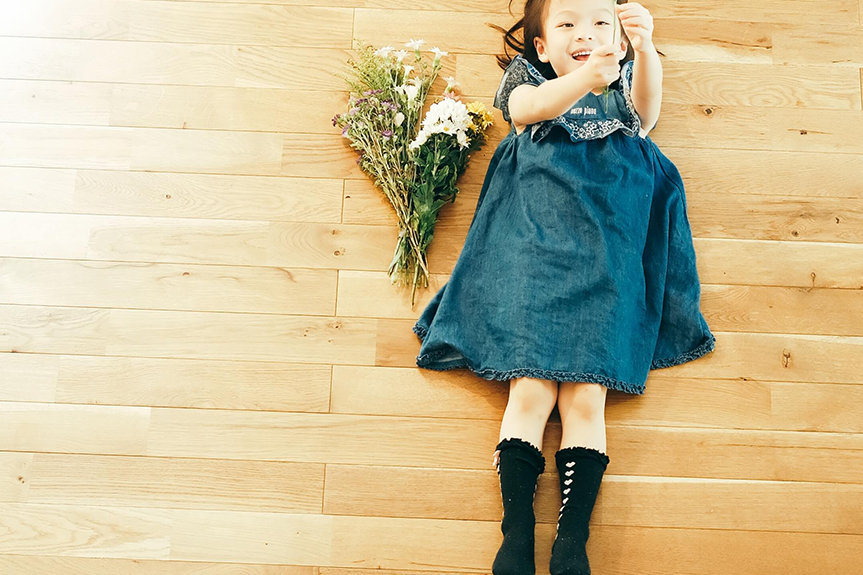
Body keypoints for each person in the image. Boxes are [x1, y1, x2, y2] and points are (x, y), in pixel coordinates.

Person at [412, 0, 716, 573]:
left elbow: (646, 117)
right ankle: (517, 530)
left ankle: (572, 539)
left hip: (607, 247)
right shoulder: (531, 82)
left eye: (601, 22)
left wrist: (645, 50)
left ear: (618, 37)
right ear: (541, 47)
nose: (586, 33)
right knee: (529, 392)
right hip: (535, 246)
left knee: (586, 395)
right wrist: (580, 77)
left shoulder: (622, 82)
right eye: (567, 24)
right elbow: (527, 111)